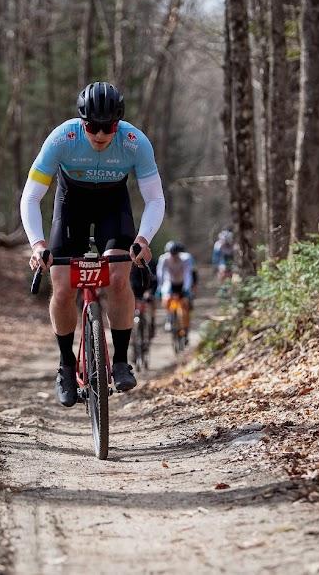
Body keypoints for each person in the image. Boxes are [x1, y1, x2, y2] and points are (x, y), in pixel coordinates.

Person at [20, 82, 165, 407]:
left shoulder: (134, 142)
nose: (100, 134)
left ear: (119, 124)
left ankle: (120, 361)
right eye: (93, 127)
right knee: (62, 287)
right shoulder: (62, 138)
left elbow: (155, 198)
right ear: (82, 123)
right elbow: (31, 196)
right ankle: (66, 366)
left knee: (117, 277)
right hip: (71, 203)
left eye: (108, 127)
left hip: (114, 205)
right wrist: (37, 243)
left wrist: (143, 239)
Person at [156, 241, 195, 337]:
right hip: (170, 282)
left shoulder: (186, 258)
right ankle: (169, 318)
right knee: (166, 299)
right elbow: (160, 274)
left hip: (183, 283)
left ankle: (186, 327)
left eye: (175, 254)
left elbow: (187, 275)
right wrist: (160, 287)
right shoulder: (164, 259)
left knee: (185, 304)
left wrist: (186, 289)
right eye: (171, 254)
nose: (173, 256)